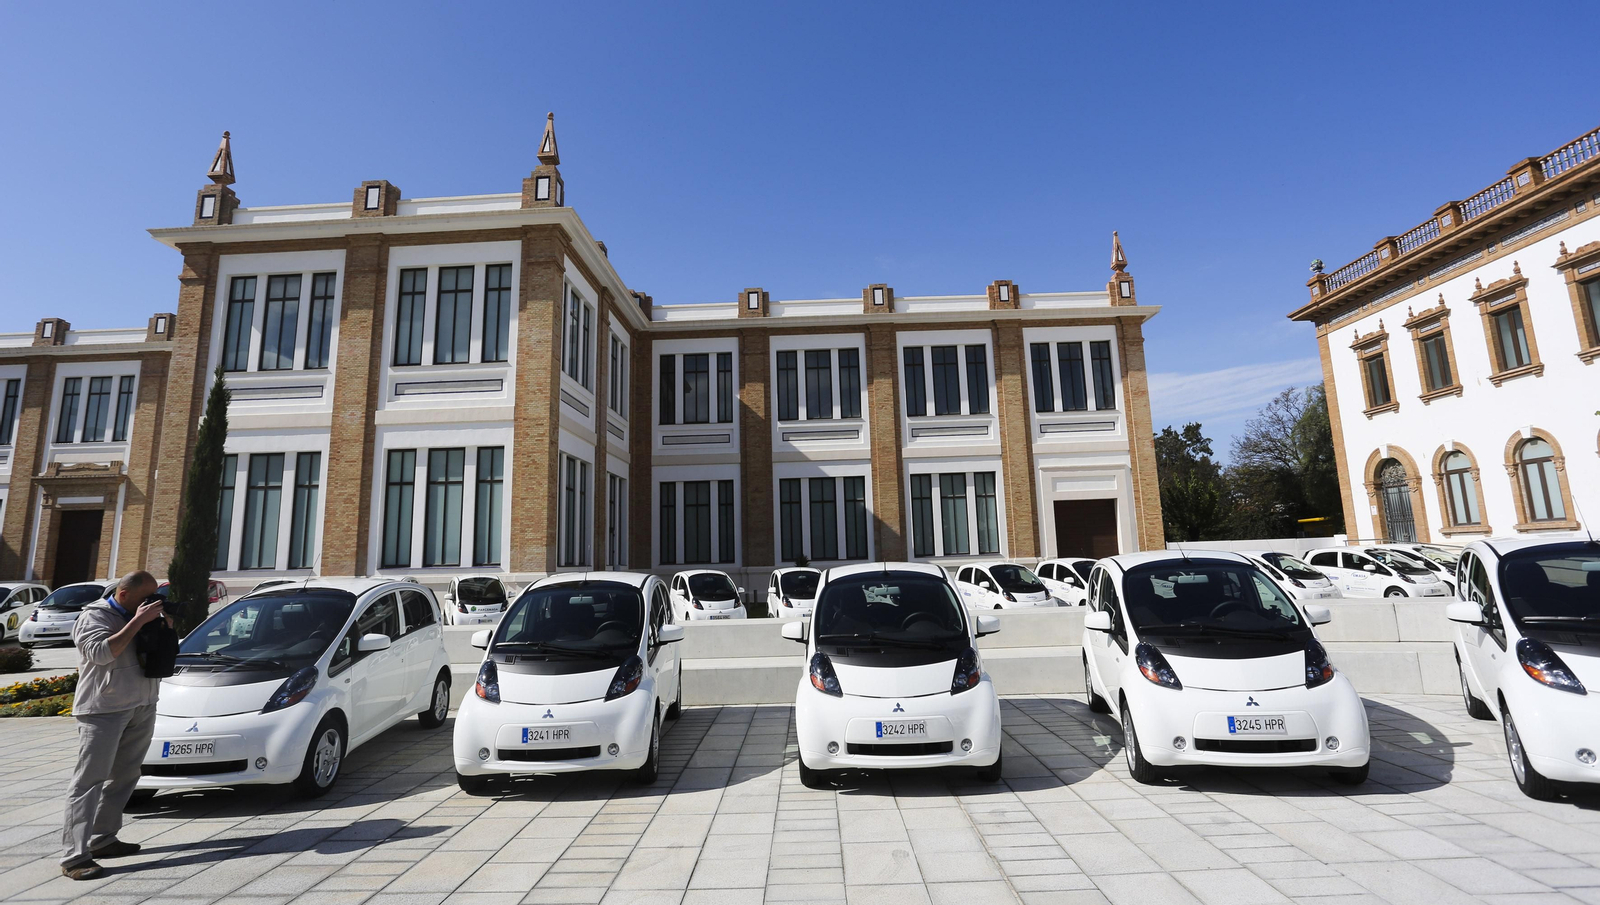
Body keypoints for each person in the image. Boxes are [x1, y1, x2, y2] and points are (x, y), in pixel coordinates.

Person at [59, 570, 168, 880]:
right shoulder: (94, 616)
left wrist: (164, 626)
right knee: (89, 781)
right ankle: (74, 857)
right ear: (123, 595)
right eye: (145, 598)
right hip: (103, 709)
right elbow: (100, 653)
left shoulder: (142, 615)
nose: (150, 603)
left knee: (126, 776)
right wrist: (138, 622)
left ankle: (103, 839)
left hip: (141, 704)